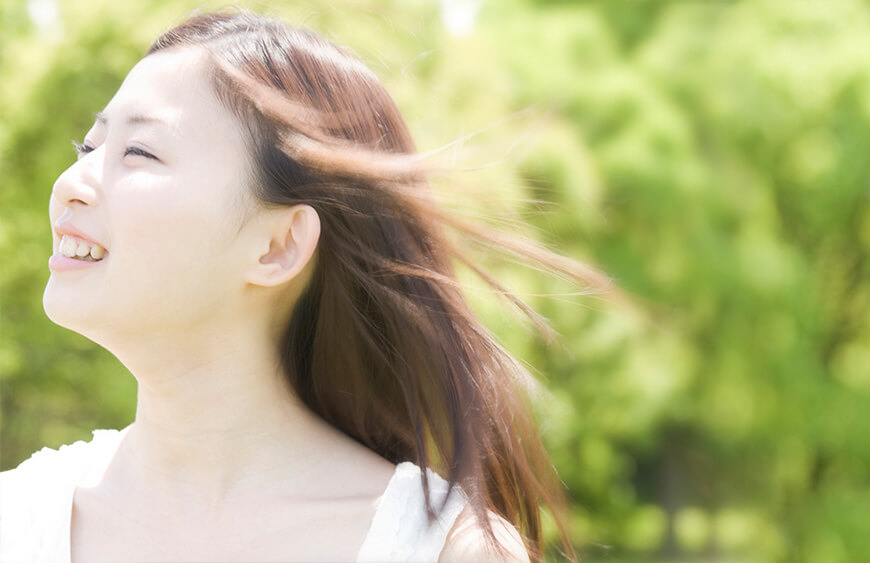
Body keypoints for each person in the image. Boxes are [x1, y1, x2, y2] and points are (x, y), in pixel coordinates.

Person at [0, 7, 605, 563]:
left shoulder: (442, 551)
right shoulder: (21, 520)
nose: (70, 182)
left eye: (138, 152)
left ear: (279, 245)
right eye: (90, 143)